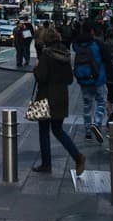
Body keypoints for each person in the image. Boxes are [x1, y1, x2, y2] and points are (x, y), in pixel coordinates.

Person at [32, 28, 86, 176]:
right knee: (58, 130)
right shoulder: (65, 55)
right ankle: (77, 156)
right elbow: (69, 79)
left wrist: (36, 68)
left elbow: (41, 77)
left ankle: (46, 164)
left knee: (44, 131)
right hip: (61, 96)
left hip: (45, 96)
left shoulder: (46, 55)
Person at [72, 21, 107, 143]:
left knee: (87, 105)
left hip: (84, 79)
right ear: (92, 31)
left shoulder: (77, 45)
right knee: (101, 102)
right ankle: (97, 123)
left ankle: (87, 131)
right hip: (98, 79)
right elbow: (105, 58)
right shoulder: (97, 44)